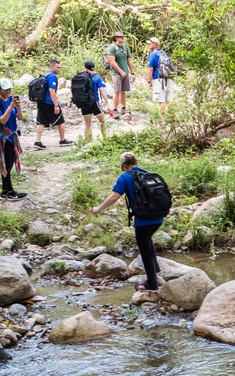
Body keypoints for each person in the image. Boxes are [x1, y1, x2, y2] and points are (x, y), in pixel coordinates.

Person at [91, 152, 163, 291]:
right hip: (158, 217)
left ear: (124, 165)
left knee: (145, 250)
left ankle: (152, 285)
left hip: (143, 220)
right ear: (136, 162)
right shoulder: (147, 173)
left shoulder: (125, 177)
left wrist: (98, 209)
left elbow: (114, 197)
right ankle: (157, 269)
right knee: (148, 240)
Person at [0, 78, 26, 200]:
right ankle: (10, 192)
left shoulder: (11, 100)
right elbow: (2, 120)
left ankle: (6, 191)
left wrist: (19, 107)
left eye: (9, 89)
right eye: (5, 89)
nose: (8, 92)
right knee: (6, 163)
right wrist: (10, 108)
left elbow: (20, 118)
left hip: (12, 135)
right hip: (2, 137)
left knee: (9, 163)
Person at [33, 60, 71, 149]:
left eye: (60, 67)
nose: (59, 69)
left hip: (41, 102)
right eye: (57, 67)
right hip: (49, 102)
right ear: (52, 67)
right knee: (60, 121)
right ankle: (62, 140)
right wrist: (55, 105)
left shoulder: (45, 75)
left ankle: (37, 141)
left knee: (41, 122)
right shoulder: (52, 77)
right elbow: (52, 90)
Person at [106, 30, 135, 118]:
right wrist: (120, 71)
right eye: (121, 37)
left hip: (125, 72)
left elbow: (129, 61)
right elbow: (112, 61)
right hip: (116, 73)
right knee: (117, 91)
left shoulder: (125, 48)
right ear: (116, 38)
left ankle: (123, 108)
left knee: (123, 91)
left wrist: (132, 72)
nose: (122, 38)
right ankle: (115, 109)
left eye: (123, 37)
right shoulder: (112, 48)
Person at [81, 61, 109, 143]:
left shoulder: (81, 77)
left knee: (87, 124)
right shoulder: (97, 77)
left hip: (83, 103)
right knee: (102, 121)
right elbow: (102, 90)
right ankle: (105, 140)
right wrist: (107, 103)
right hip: (94, 103)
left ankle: (87, 142)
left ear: (85, 68)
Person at [146, 38, 174, 115]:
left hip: (158, 79)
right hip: (168, 78)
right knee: (169, 100)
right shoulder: (163, 53)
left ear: (155, 45)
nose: (149, 45)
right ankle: (172, 118)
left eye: (150, 44)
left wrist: (149, 81)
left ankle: (162, 120)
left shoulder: (153, 54)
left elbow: (150, 69)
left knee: (161, 101)